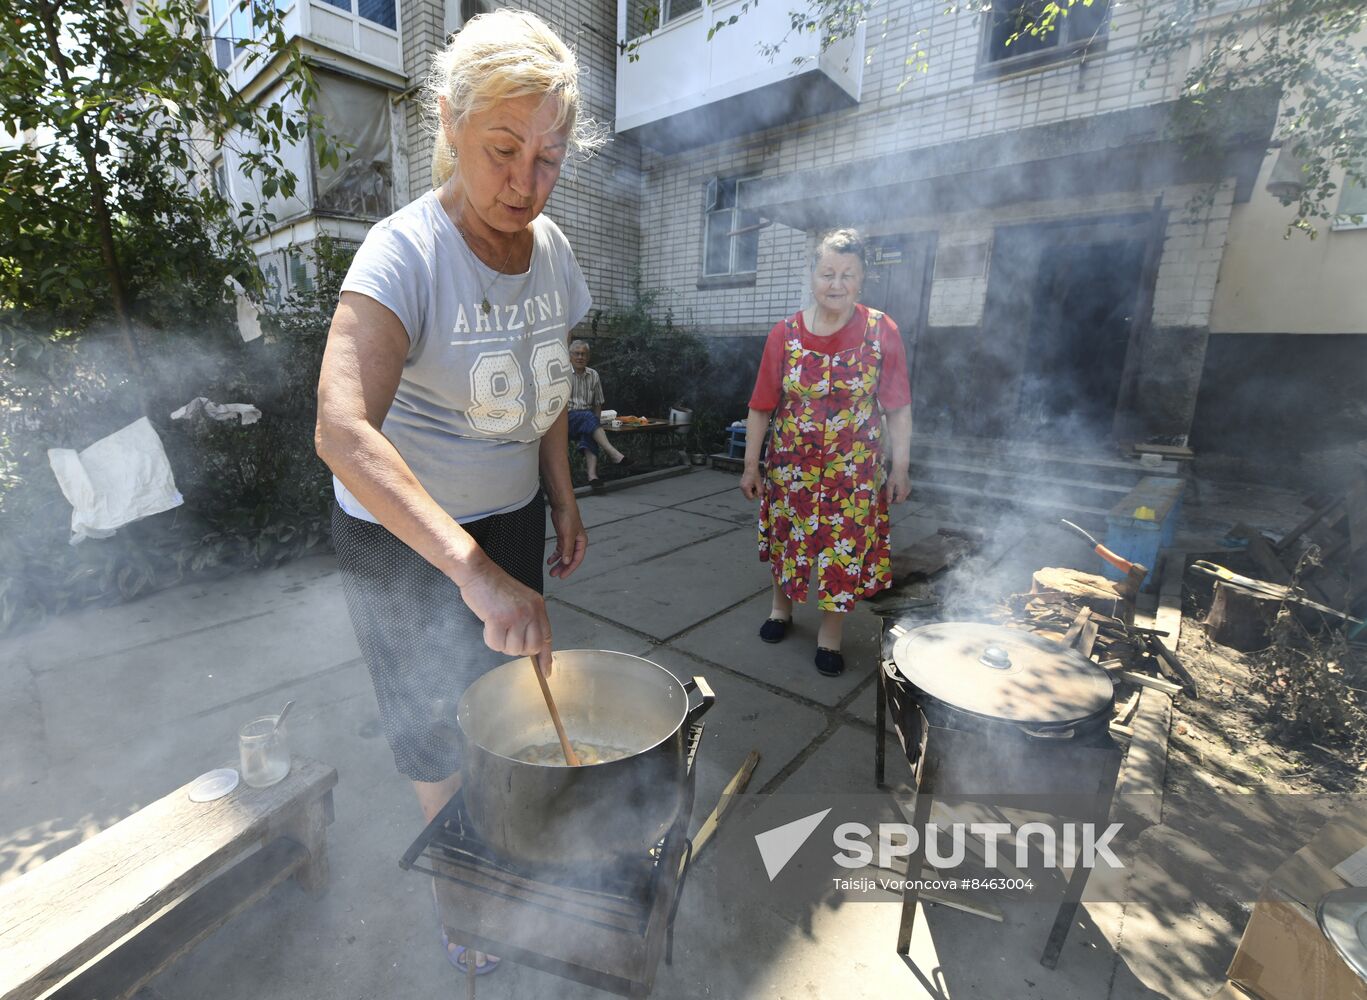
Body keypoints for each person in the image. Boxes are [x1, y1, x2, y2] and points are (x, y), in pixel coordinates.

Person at [314, 10, 604, 975]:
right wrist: (474, 572)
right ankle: (462, 899)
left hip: (512, 520)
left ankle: (514, 849)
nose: (525, 182)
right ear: (447, 121)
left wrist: (560, 495)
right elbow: (340, 431)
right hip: (402, 543)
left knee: (509, 707)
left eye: (550, 158)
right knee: (433, 735)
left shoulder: (555, 252)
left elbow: (548, 383)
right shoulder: (403, 255)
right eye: (503, 149)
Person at [739, 228, 913, 677]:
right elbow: (761, 406)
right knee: (788, 541)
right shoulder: (785, 334)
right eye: (827, 273)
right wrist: (750, 464)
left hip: (853, 474)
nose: (836, 284)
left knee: (843, 551)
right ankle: (781, 609)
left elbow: (897, 408)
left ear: (861, 280)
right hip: (790, 467)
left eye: (847, 275)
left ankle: (830, 635)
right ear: (812, 276)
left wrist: (901, 468)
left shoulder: (881, 330)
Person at [566, 339, 633, 486]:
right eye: (576, 354)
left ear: (588, 357)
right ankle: (612, 453)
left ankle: (592, 476)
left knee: (590, 428)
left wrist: (596, 426)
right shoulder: (563, 374)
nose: (580, 357)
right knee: (588, 418)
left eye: (583, 354)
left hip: (586, 419)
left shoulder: (593, 375)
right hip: (567, 420)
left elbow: (598, 404)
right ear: (570, 356)